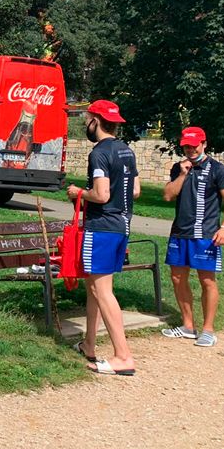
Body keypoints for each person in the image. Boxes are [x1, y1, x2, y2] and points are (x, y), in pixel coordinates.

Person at [67, 100, 140, 376]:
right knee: (94, 288)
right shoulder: (126, 151)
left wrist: (78, 192)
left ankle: (123, 356)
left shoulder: (99, 153)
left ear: (96, 121)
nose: (86, 123)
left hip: (102, 227)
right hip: (122, 226)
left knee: (101, 290)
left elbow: (101, 195)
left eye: (88, 119)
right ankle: (89, 344)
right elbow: (134, 191)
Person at [160, 127, 224, 348]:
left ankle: (208, 330)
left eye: (194, 145)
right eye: (186, 146)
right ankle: (187, 326)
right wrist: (183, 174)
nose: (191, 149)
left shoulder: (219, 170)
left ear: (204, 144)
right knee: (177, 278)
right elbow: (167, 195)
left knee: (207, 280)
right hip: (179, 233)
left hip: (205, 235)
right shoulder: (179, 168)